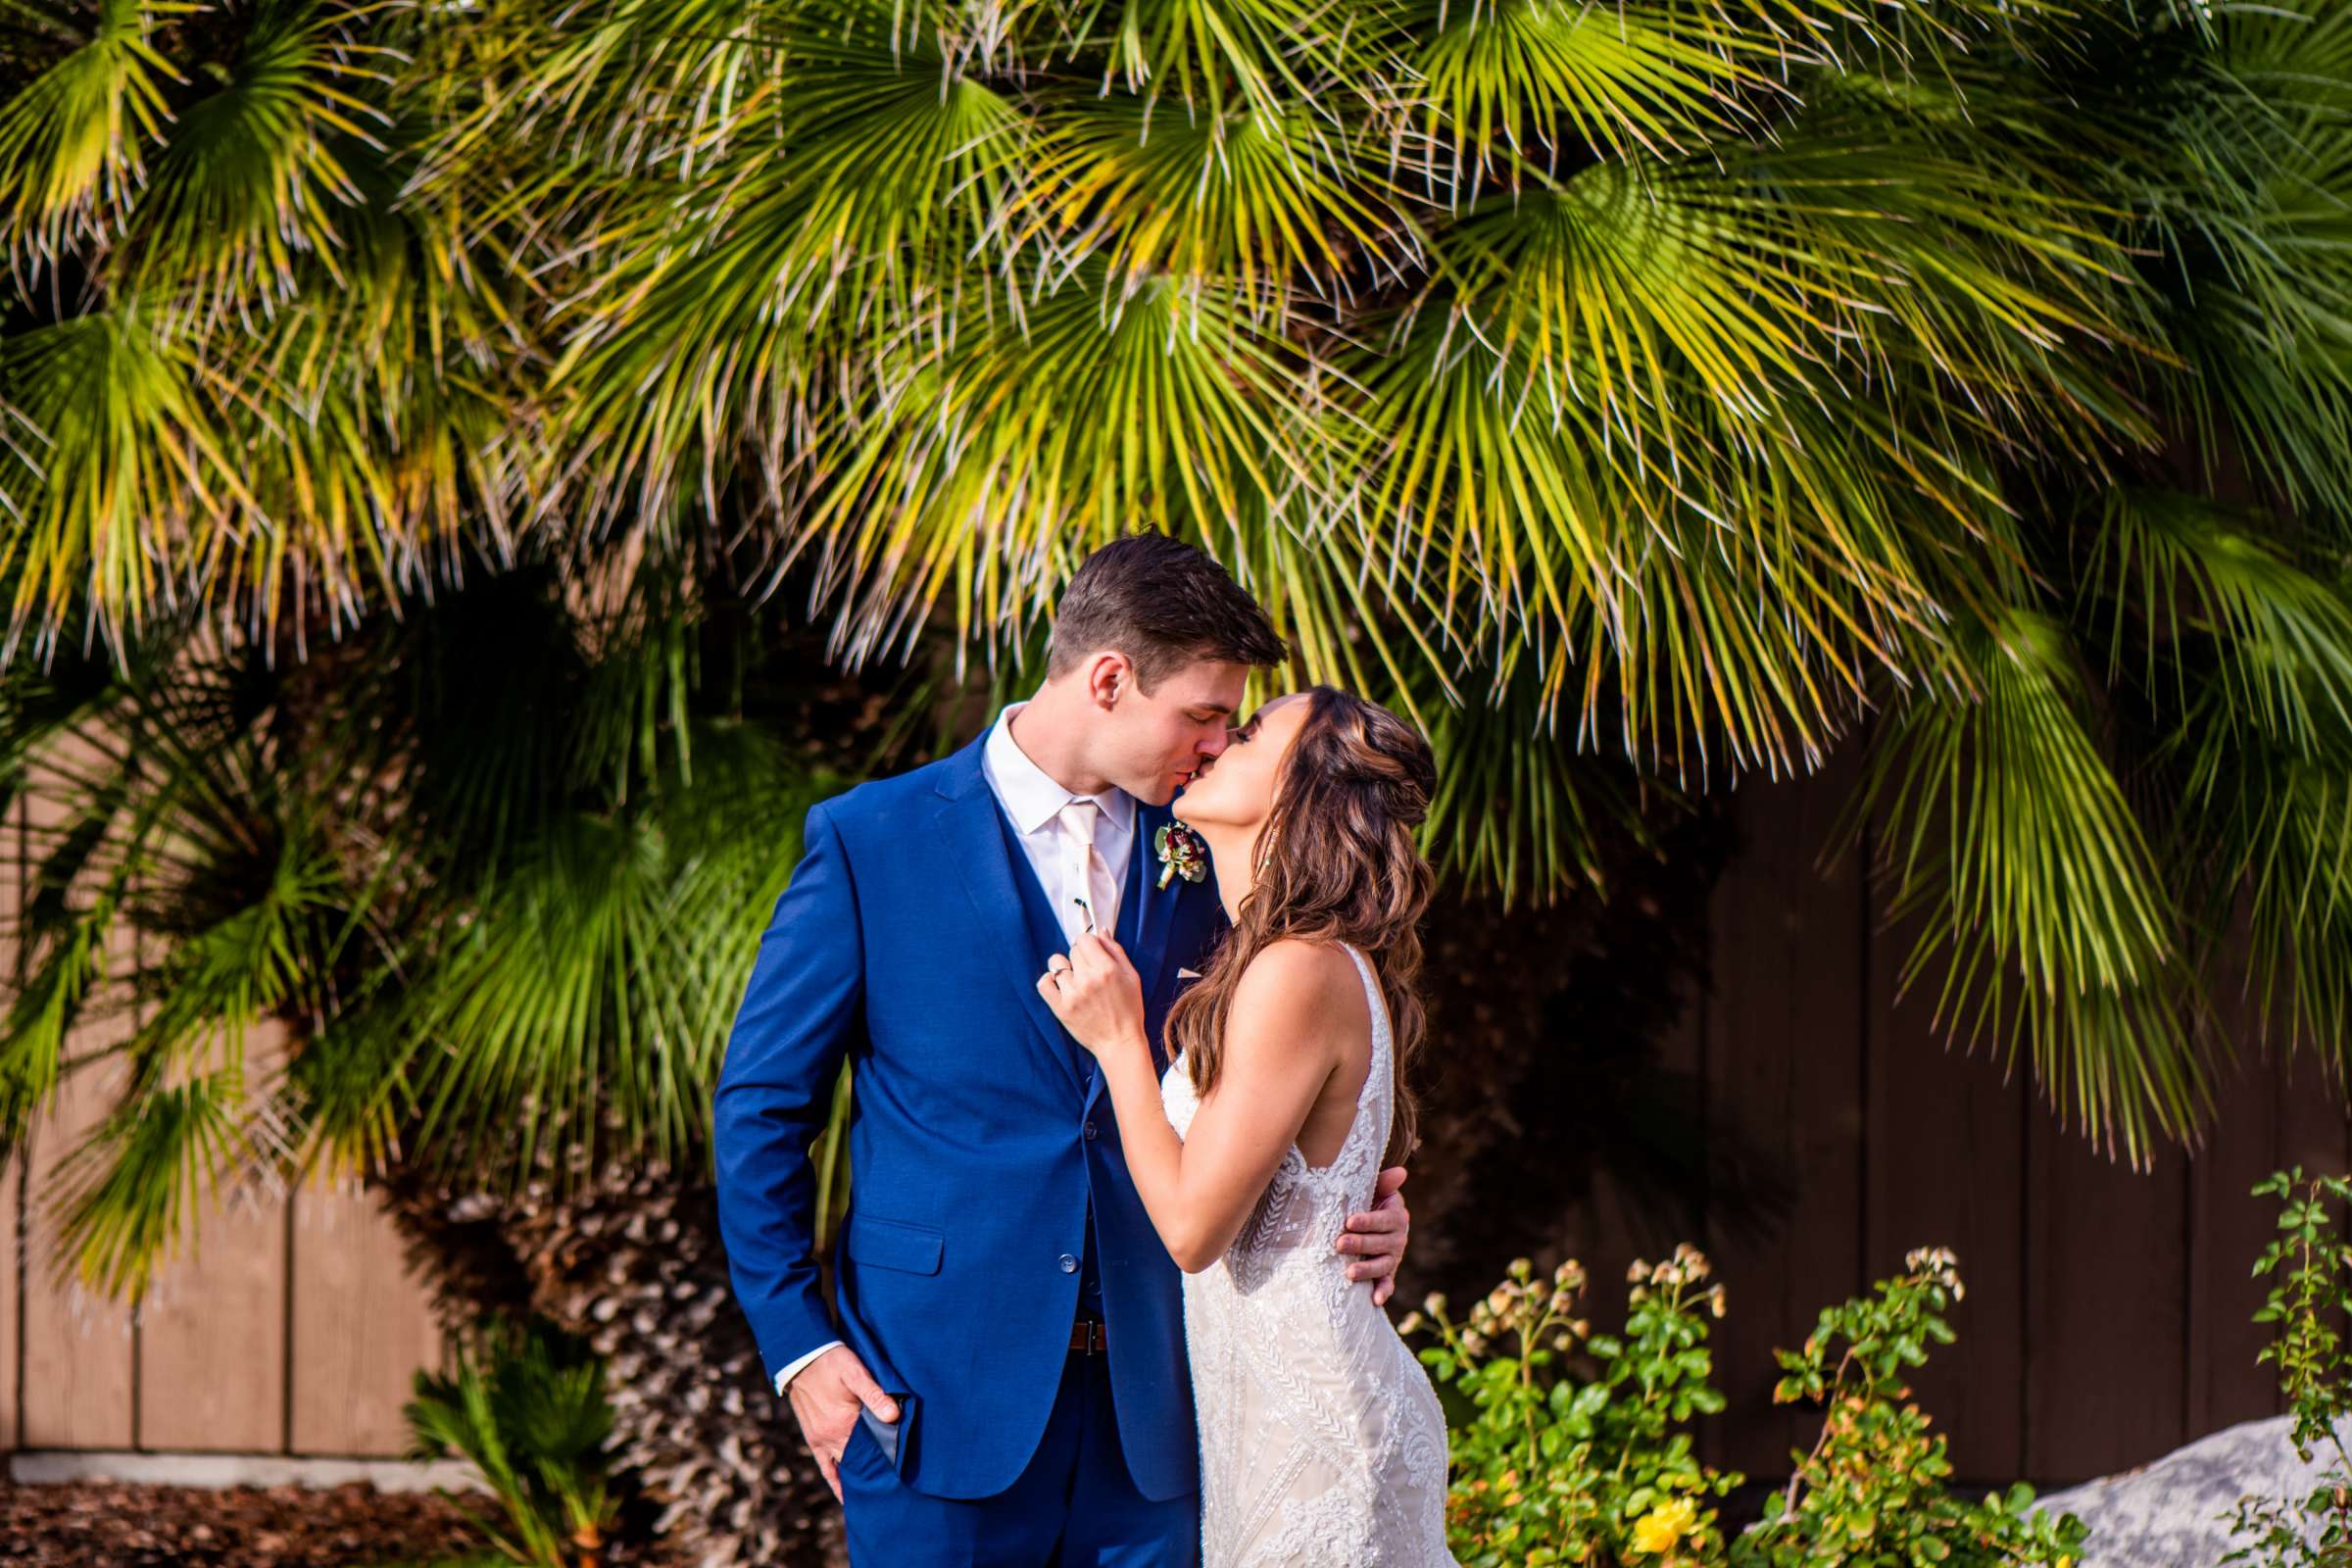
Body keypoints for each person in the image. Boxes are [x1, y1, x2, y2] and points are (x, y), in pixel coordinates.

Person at [712, 533, 1416, 1565]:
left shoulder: (1218, 858)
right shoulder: (876, 842)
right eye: (1204, 715)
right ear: (1109, 678)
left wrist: (1357, 1203)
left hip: (1165, 1421)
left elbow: (1294, 1073)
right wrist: (800, 1347)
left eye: (1232, 725)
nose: (1218, 746)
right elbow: (764, 1108)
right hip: (932, 1405)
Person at [1039, 685, 1457, 1567]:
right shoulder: (1287, 960)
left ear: (1306, 786)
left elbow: (1194, 1230)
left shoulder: (1297, 970)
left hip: (1312, 1433)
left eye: (1255, 728)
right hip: (1260, 1423)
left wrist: (1119, 1042)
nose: (1224, 737)